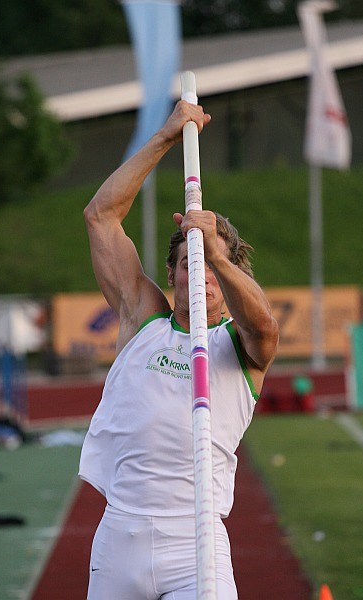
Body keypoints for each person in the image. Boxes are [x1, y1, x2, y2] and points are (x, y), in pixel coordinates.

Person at [79, 99, 279, 600]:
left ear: (229, 276)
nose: (201, 277)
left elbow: (266, 328)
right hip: (119, 535)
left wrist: (214, 251)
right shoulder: (141, 316)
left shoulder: (237, 343)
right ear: (172, 274)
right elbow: (101, 216)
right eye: (189, 265)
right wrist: (167, 136)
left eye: (211, 268)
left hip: (195, 544)